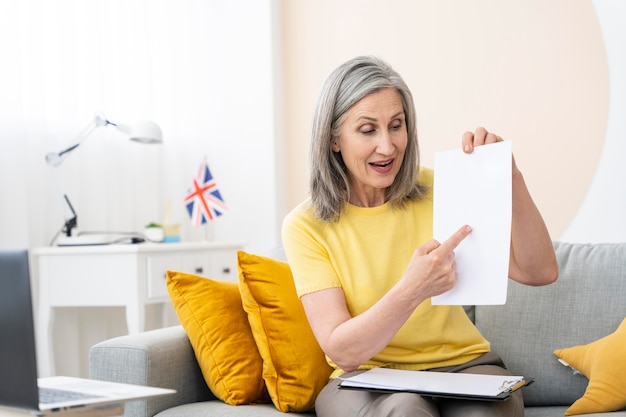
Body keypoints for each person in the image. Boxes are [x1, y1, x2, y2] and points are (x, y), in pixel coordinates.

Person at [281, 55, 558, 417]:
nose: (388, 146)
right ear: (333, 139)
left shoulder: (441, 187)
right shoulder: (306, 225)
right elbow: (343, 350)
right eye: (368, 131)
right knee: (404, 410)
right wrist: (413, 289)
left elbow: (538, 272)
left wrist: (512, 177)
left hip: (464, 367)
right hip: (367, 378)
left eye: (396, 125)